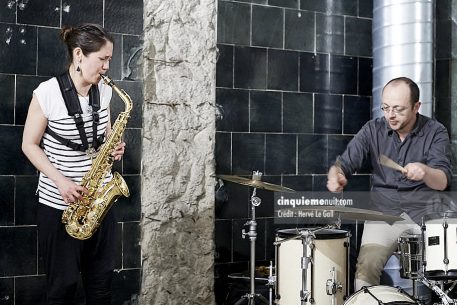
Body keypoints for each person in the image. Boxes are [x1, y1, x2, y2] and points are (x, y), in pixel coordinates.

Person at [21, 23, 126, 305]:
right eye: (102, 59)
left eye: (109, 60)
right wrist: (61, 181)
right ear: (79, 54)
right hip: (60, 203)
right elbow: (29, 145)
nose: (106, 67)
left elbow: (105, 134)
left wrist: (115, 147)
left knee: (102, 284)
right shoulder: (47, 93)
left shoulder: (103, 91)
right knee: (63, 286)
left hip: (99, 199)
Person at [326, 77, 452, 291]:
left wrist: (425, 172)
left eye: (398, 109)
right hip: (383, 213)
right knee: (365, 271)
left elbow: (442, 181)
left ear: (416, 107)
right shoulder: (372, 130)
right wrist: (336, 174)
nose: (390, 115)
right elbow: (344, 163)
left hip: (424, 214)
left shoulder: (435, 131)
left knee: (444, 274)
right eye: (385, 108)